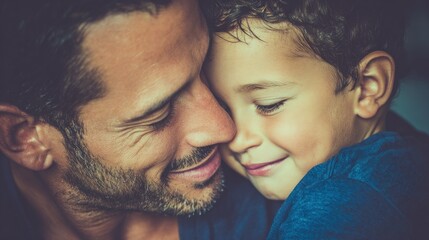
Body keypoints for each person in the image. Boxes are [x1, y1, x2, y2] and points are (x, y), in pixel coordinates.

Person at [0, 0, 277, 239]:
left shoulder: (279, 203)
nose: (224, 128)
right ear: (24, 138)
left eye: (207, 66)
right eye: (158, 115)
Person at [204, 0, 429, 238]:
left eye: (269, 105)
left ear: (366, 86)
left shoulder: (345, 208)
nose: (236, 140)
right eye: (222, 108)